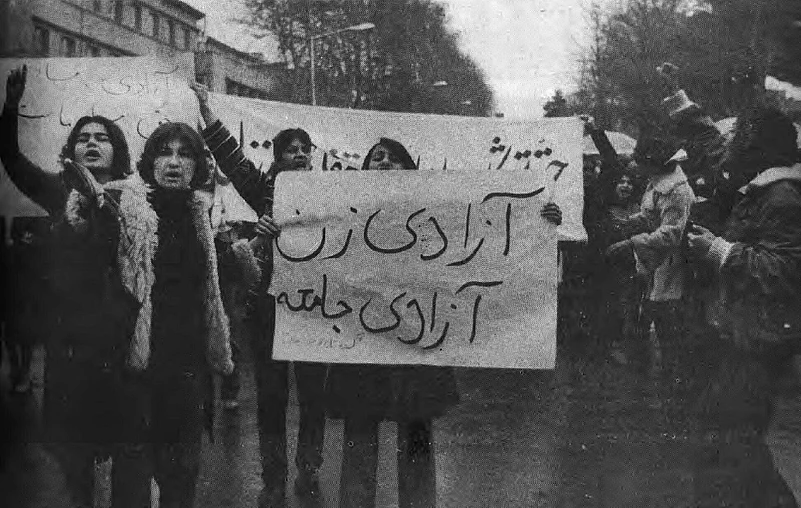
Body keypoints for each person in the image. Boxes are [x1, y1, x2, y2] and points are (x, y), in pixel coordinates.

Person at [0, 66, 151, 508]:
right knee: (74, 465)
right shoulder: (59, 193)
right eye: (83, 136)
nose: (91, 142)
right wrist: (11, 107)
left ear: (117, 151)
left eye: (101, 137)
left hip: (125, 351)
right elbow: (11, 160)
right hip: (72, 351)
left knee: (130, 463)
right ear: (72, 150)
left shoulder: (140, 200)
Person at [70, 121, 234, 507]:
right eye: (165, 151)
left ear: (197, 166)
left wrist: (245, 250)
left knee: (181, 477)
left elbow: (206, 282)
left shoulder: (200, 213)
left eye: (185, 153)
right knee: (133, 480)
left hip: (188, 367)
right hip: (136, 369)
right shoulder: (124, 205)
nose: (174, 162)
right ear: (150, 160)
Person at [192, 82, 327, 508]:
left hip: (315, 312)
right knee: (271, 397)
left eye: (305, 148)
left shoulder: (336, 198)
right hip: (269, 310)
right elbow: (232, 157)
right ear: (278, 159)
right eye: (291, 149)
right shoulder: (262, 192)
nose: (300, 155)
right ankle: (273, 476)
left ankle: (310, 465)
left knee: (313, 395)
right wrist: (208, 114)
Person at [684, 108, 801, 506]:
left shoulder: (781, 196)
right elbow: (717, 151)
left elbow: (782, 270)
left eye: (737, 139)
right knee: (730, 436)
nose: (728, 146)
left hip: (760, 340)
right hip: (751, 334)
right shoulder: (768, 188)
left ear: (755, 148)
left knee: (731, 438)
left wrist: (717, 250)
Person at [605, 136, 695, 389]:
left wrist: (630, 243)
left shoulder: (678, 191)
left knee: (666, 319)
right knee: (648, 310)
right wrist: (631, 222)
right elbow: (649, 213)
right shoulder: (656, 183)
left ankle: (672, 380)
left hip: (672, 262)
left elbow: (670, 234)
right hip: (652, 260)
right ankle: (648, 374)